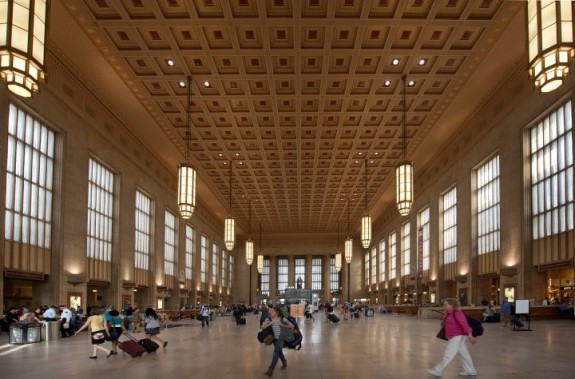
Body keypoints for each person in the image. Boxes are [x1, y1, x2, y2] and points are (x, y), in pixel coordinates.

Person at [427, 298, 477, 377]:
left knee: (448, 354)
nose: (444, 306)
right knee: (463, 354)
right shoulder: (448, 314)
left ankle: (438, 370)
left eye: (446, 304)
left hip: (457, 336)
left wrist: (470, 336)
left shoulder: (457, 313)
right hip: (453, 336)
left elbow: (465, 325)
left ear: (451, 305)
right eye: (443, 304)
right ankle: (470, 370)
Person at [260, 306, 294, 377]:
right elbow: (262, 327)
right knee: (279, 352)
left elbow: (291, 325)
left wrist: (281, 324)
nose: (270, 312)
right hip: (274, 339)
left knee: (276, 353)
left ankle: (271, 369)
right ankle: (284, 362)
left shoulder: (282, 319)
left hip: (281, 338)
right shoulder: (268, 319)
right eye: (270, 311)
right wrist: (270, 323)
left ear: (277, 312)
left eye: (272, 311)